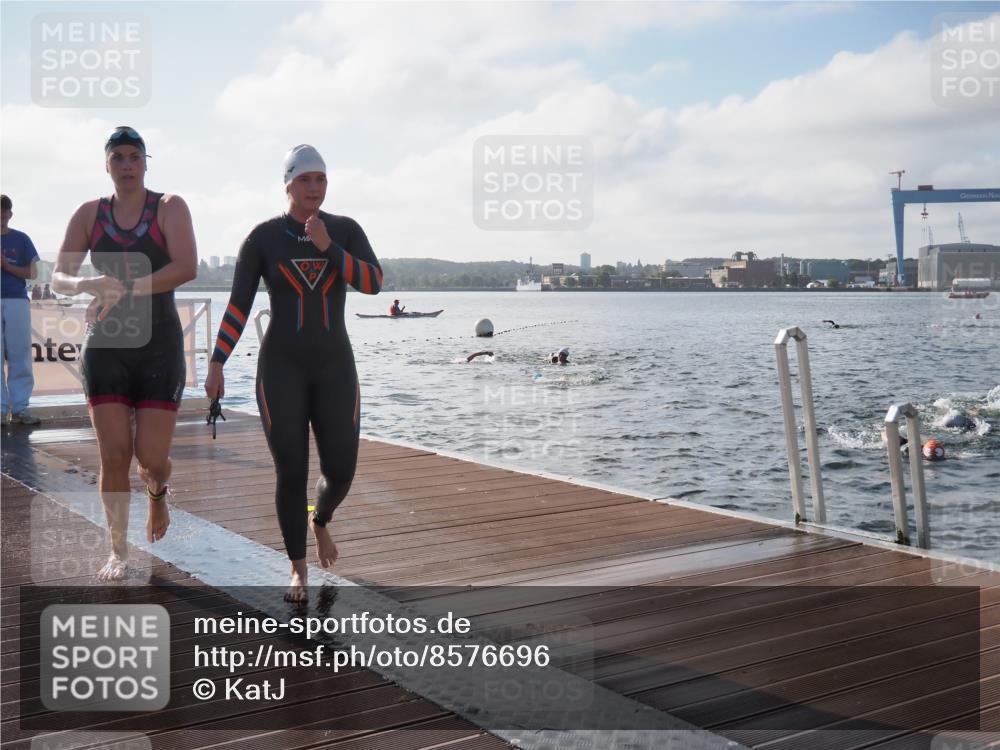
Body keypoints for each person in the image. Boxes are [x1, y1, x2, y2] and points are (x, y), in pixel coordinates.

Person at [204, 144, 382, 602]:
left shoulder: (343, 230)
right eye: (305, 180)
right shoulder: (264, 238)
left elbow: (373, 283)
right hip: (281, 367)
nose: (314, 188)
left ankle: (319, 520)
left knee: (341, 470)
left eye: (321, 179)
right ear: (288, 184)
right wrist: (218, 361)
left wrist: (329, 247)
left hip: (334, 366)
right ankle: (298, 569)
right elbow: (238, 306)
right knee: (292, 470)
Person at [51, 126, 198, 581]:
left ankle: (157, 493)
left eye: (135, 156)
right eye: (119, 157)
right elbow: (59, 276)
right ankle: (118, 549)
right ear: (107, 165)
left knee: (151, 459)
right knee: (114, 454)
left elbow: (187, 267)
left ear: (146, 162)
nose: (128, 164)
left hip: (159, 346)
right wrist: (87, 284)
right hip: (108, 346)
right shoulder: (90, 214)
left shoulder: (169, 207)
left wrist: (129, 286)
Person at [1, 194, 42, 426]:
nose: (1, 215)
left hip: (16, 299)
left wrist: (6, 265)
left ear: (10, 214)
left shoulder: (21, 239)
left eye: (4, 211)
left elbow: (32, 273)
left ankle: (20, 408)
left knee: (20, 354)